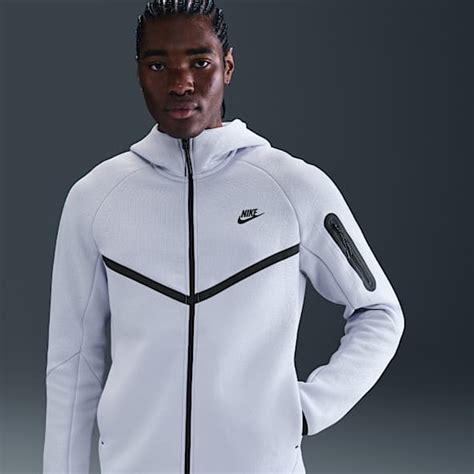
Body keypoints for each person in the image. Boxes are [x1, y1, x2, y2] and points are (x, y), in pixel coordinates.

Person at [42, 1, 405, 473]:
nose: (180, 84)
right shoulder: (95, 199)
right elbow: (72, 365)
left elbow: (379, 311)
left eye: (200, 62)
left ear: (228, 66)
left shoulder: (294, 188)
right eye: (158, 65)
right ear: (138, 72)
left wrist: (308, 409)